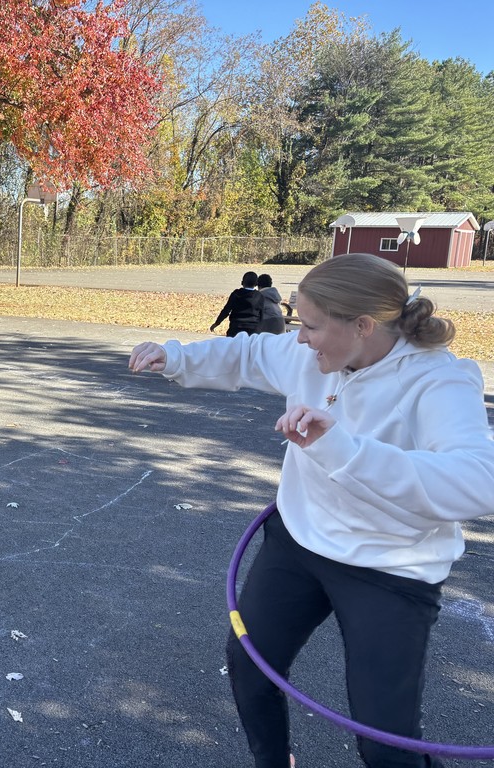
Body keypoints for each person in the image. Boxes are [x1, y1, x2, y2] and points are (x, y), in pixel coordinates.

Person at [129, 253, 494, 768]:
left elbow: (477, 482)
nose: (300, 338)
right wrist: (176, 358)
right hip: (298, 542)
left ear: (364, 326)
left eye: (312, 326)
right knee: (251, 669)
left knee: (386, 747)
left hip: (390, 569)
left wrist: (343, 448)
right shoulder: (311, 356)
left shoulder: (439, 381)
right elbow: (250, 354)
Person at [211, 270, 263, 337]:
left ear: (242, 282)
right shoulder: (259, 296)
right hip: (253, 330)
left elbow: (226, 310)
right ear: (256, 284)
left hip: (235, 328)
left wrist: (217, 323)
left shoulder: (236, 294)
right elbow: (262, 314)